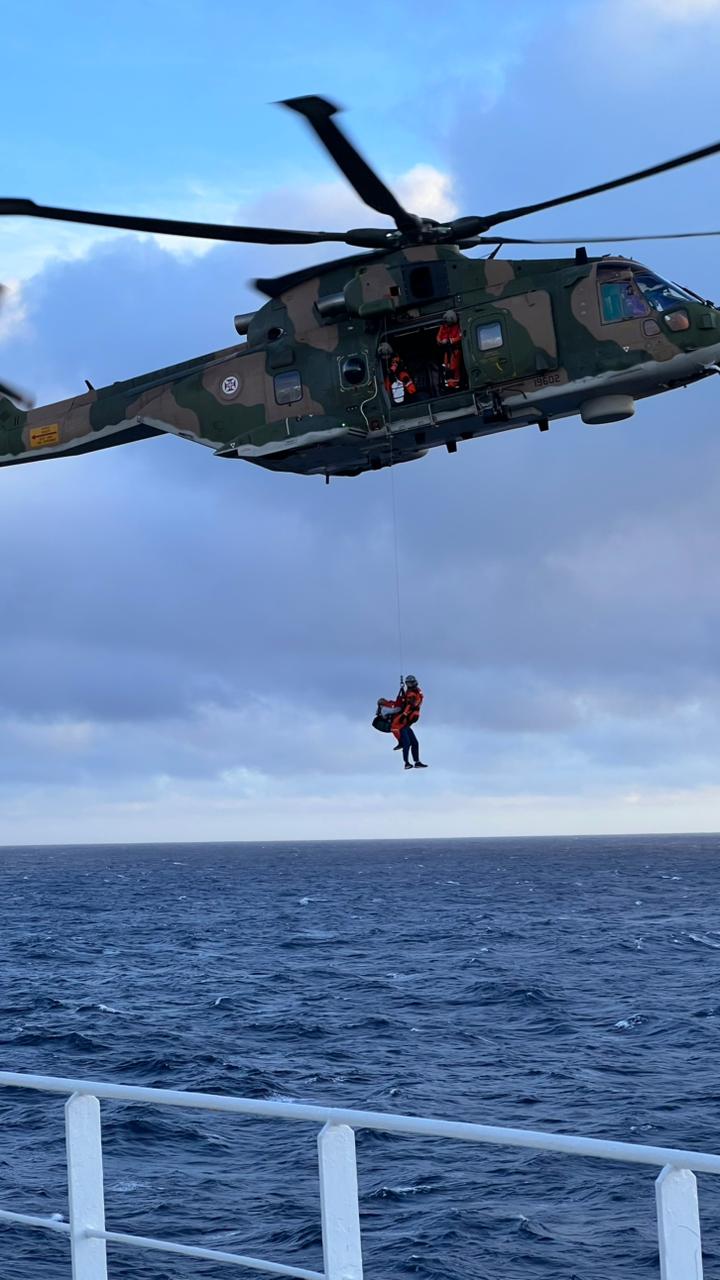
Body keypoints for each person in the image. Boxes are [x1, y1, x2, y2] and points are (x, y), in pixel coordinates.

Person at [378, 675, 427, 769]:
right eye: (409, 683)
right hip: (401, 725)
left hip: (405, 724)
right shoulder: (411, 694)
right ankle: (407, 763)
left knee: (415, 743)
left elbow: (413, 704)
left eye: (411, 682)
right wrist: (404, 715)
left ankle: (417, 762)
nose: (410, 684)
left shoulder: (416, 692)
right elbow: (409, 705)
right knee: (407, 743)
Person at [436, 310, 465, 391]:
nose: (447, 324)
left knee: (454, 367)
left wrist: (451, 340)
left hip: (455, 350)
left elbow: (460, 336)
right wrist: (441, 341)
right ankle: (450, 384)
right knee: (447, 367)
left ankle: (455, 384)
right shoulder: (443, 326)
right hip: (447, 351)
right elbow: (438, 337)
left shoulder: (458, 326)